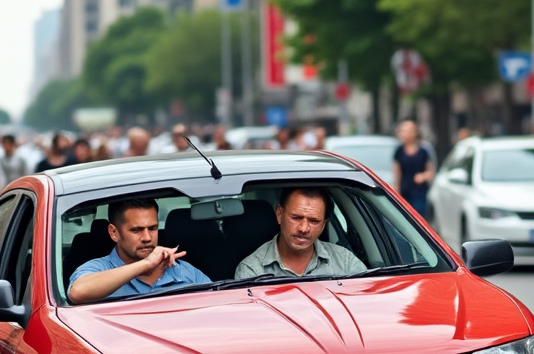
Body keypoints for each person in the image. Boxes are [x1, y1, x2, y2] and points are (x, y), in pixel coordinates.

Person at [67, 197, 210, 303]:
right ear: (114, 233)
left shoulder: (184, 271)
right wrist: (146, 264)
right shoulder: (99, 268)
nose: (147, 237)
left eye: (153, 228)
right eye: (136, 230)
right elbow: (77, 292)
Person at [235, 187, 365, 278]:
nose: (304, 228)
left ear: (323, 225)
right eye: (296, 218)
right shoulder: (252, 270)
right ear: (279, 214)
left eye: (314, 221)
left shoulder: (345, 262)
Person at [392, 120, 434, 218]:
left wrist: (422, 176)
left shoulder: (423, 152)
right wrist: (396, 188)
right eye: (402, 131)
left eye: (406, 131)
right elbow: (397, 173)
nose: (403, 134)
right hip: (404, 192)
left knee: (419, 218)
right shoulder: (399, 151)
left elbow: (430, 172)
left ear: (414, 133)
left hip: (419, 193)